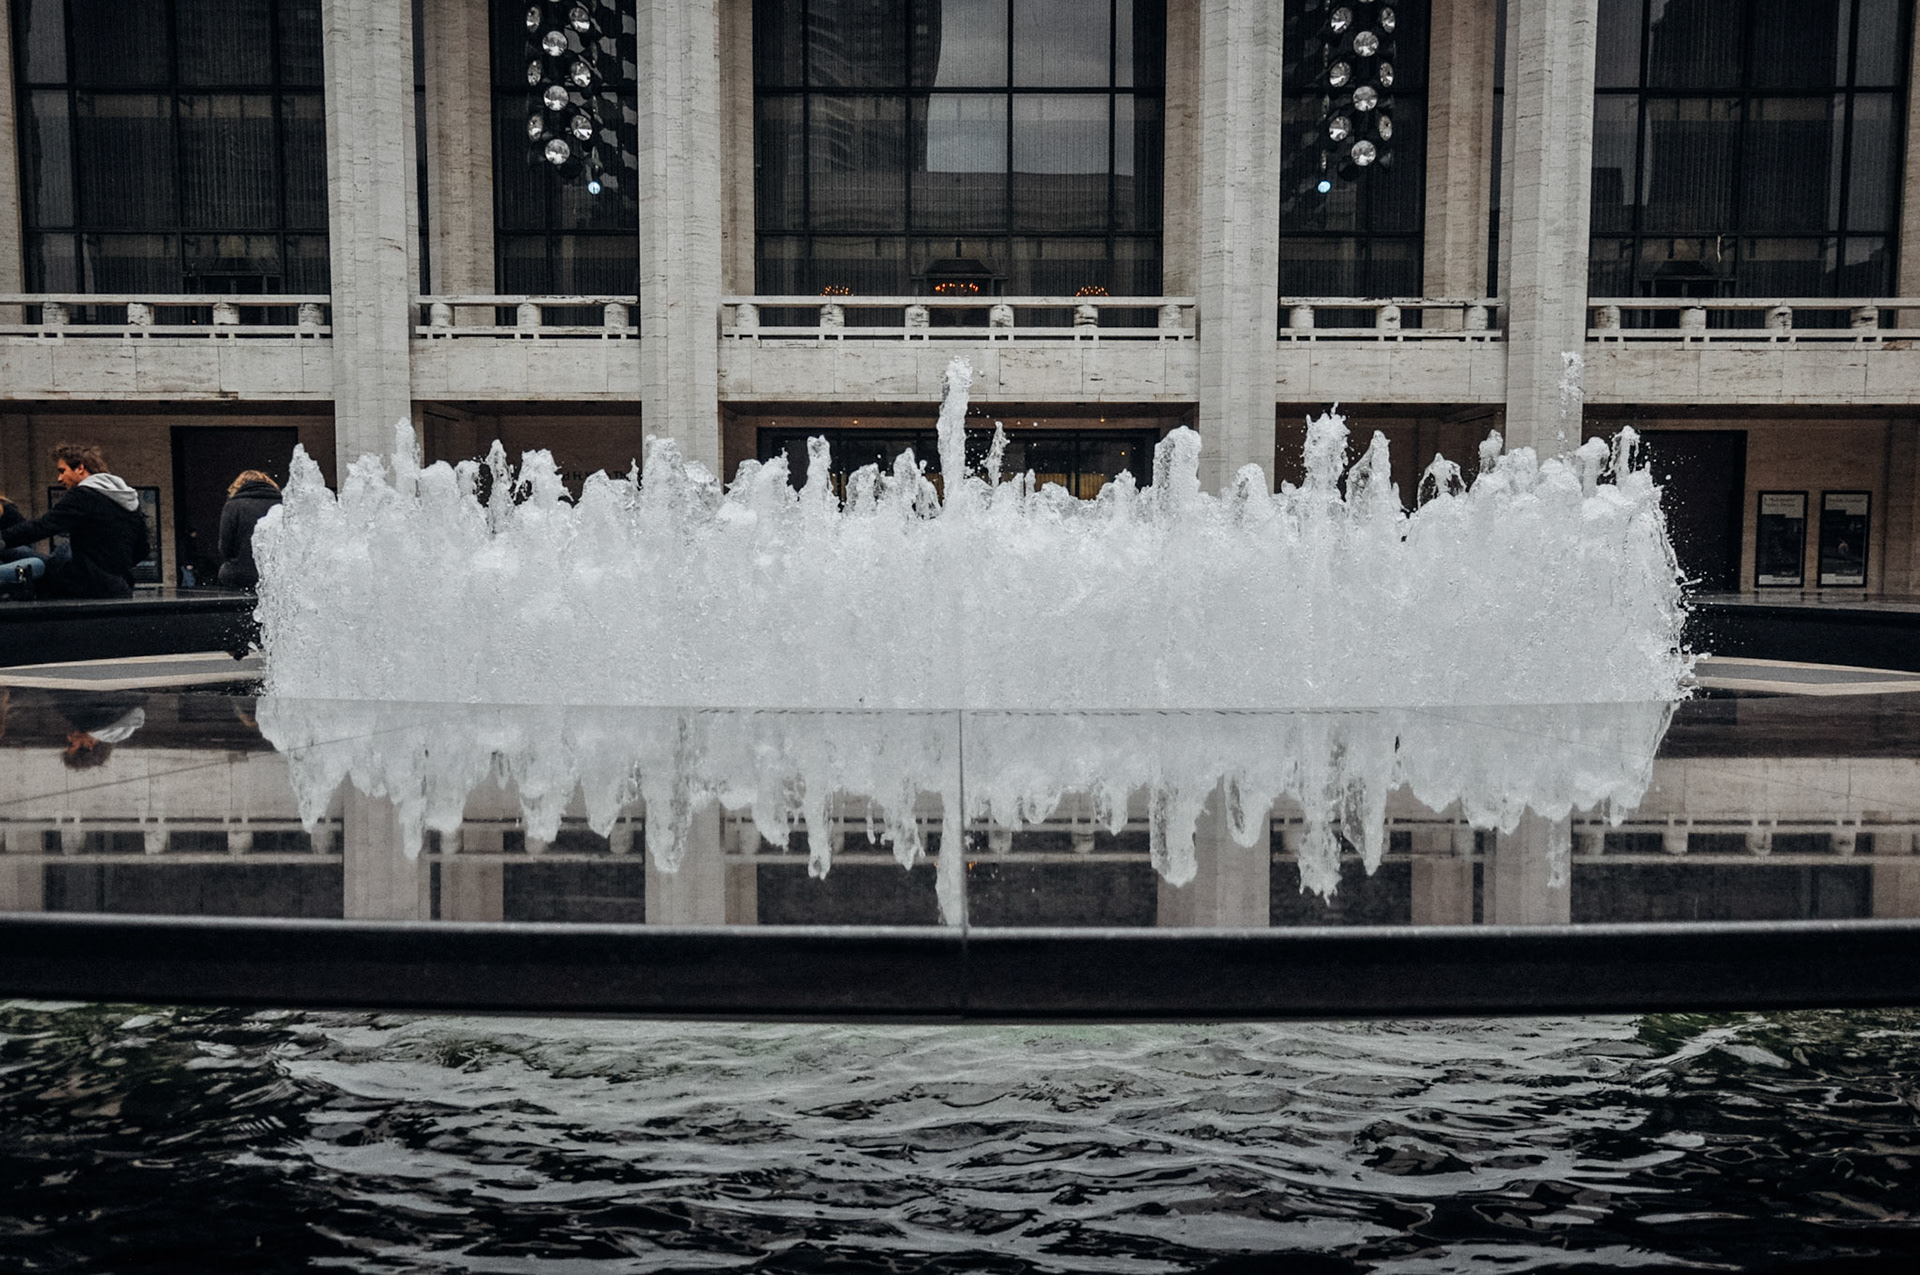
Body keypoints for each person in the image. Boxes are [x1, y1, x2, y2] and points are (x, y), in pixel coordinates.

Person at [0, 444, 149, 599]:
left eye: (62, 471)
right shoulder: (130, 501)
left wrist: (3, 538)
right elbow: (142, 549)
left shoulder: (83, 495)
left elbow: (43, 526)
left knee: (24, 557)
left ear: (80, 468)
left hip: (85, 585)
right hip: (120, 587)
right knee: (61, 551)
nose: (59, 479)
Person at [215, 470, 282, 590]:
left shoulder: (233, 505)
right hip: (277, 573)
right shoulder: (283, 504)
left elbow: (226, 548)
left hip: (243, 575)